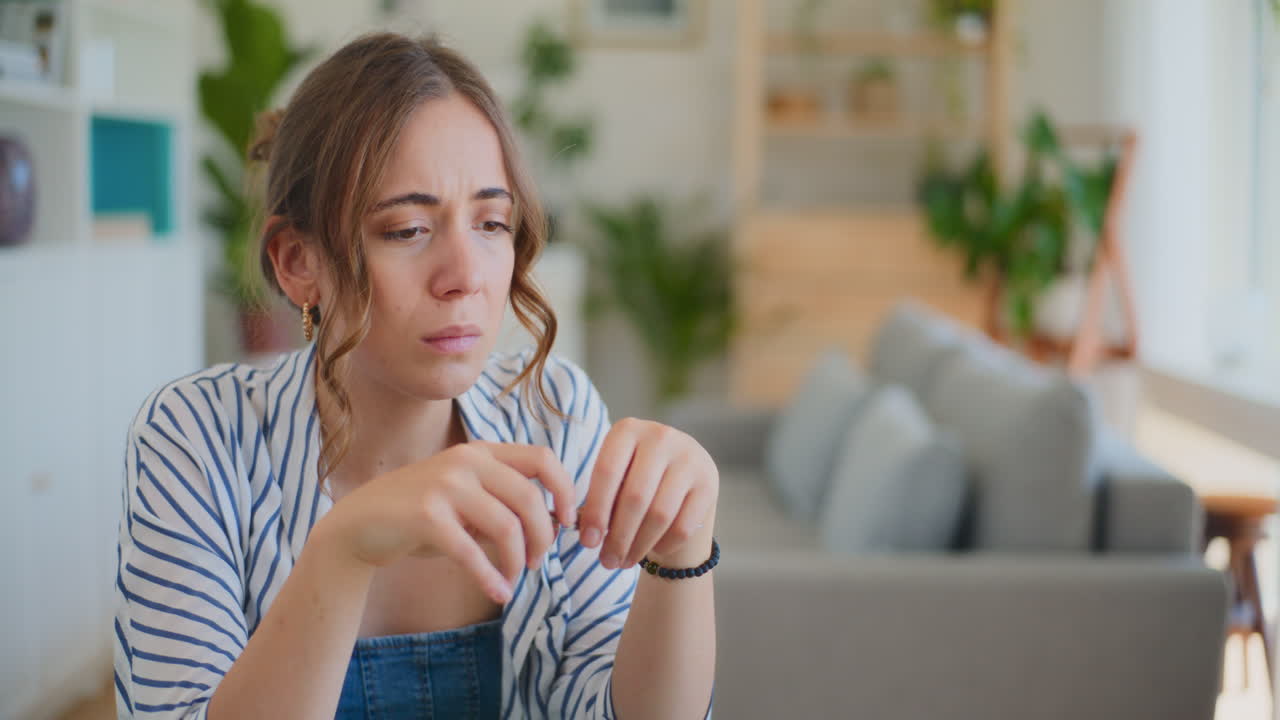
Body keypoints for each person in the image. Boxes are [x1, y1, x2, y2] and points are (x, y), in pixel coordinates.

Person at [112, 32, 718, 720]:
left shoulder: (555, 413)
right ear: (297, 261)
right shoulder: (197, 439)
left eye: (492, 223)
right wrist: (343, 551)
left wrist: (682, 551)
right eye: (406, 230)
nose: (465, 277)